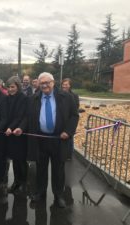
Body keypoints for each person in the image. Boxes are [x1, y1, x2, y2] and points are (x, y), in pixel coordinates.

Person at [27, 72, 79, 208]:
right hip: (40, 139)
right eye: (42, 83)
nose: (45, 85)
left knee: (58, 169)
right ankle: (40, 192)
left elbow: (74, 116)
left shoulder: (66, 97)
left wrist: (68, 131)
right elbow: (29, 118)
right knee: (41, 168)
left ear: (53, 82)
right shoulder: (34, 98)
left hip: (59, 139)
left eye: (47, 82)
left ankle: (58, 195)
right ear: (38, 84)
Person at [5, 76, 28, 194]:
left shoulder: (23, 98)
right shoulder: (8, 98)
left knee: (21, 160)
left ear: (18, 87)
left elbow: (20, 116)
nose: (10, 89)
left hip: (19, 133)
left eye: (13, 87)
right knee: (14, 159)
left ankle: (23, 183)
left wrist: (11, 127)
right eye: (8, 87)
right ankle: (16, 182)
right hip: (11, 133)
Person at [61, 78, 80, 159]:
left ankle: (69, 155)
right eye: (63, 84)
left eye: (66, 84)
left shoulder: (74, 96)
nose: (64, 86)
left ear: (70, 85)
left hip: (70, 119)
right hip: (62, 119)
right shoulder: (59, 94)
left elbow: (76, 108)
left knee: (70, 137)